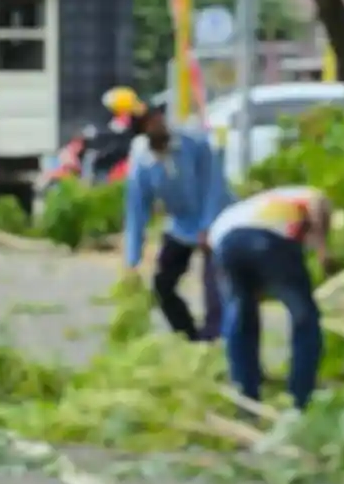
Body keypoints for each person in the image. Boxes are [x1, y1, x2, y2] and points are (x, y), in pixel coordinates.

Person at [209, 185, 332, 410]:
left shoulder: (259, 204)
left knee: (241, 315)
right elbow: (318, 202)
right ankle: (301, 398)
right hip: (266, 239)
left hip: (224, 239)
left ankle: (246, 397)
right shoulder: (306, 194)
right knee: (305, 316)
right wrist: (324, 248)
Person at [124, 102, 233, 342]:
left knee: (216, 288)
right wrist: (132, 258)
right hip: (182, 223)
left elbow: (213, 184)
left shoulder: (192, 141)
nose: (158, 125)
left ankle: (214, 340)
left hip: (217, 217)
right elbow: (137, 208)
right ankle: (188, 337)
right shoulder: (143, 161)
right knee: (163, 284)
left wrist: (208, 225)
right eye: (150, 124)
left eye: (157, 118)